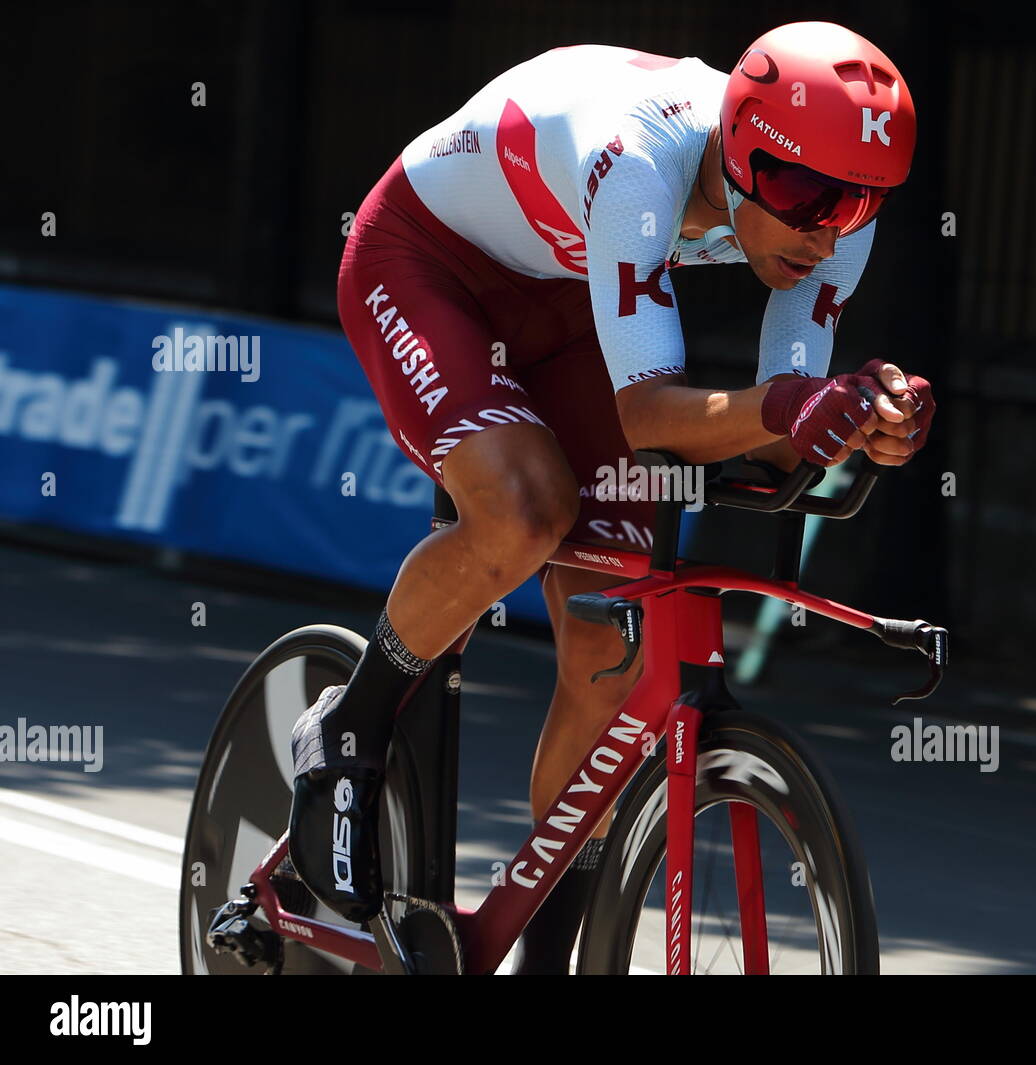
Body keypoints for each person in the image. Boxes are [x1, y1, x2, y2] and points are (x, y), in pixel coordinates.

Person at [288, 19, 935, 973]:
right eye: (801, 194)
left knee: (611, 641)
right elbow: (647, 415)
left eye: (857, 206)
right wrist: (795, 404)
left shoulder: (830, 216)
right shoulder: (645, 157)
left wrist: (861, 422)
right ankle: (350, 721)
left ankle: (545, 950)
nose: (822, 229)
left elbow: (779, 423)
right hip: (429, 266)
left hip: (566, 295)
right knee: (523, 511)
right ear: (742, 147)